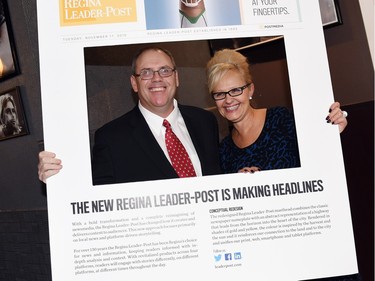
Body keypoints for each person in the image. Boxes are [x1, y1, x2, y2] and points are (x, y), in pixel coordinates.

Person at [38, 47, 221, 185]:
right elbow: (95, 194)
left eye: (165, 70)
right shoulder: (111, 138)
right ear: (134, 83)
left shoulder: (205, 121)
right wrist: (57, 180)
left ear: (176, 77)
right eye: (146, 72)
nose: (157, 78)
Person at [206, 49, 348, 174]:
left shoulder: (282, 120)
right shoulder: (224, 150)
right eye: (220, 94)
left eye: (236, 90)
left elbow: (320, 159)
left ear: (250, 90)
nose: (228, 100)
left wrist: (333, 132)